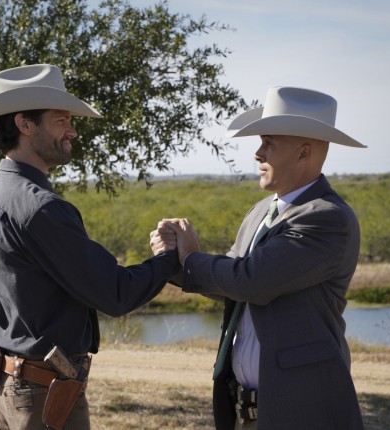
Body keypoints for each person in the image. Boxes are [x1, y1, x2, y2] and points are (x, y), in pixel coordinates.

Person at [0, 64, 179, 430]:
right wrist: (169, 256)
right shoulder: (41, 208)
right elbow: (116, 294)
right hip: (42, 394)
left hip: (5, 386)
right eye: (61, 120)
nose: (72, 130)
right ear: (25, 124)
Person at [156, 86, 367, 429]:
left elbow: (251, 281)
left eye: (268, 143)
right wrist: (172, 259)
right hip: (247, 410)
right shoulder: (261, 211)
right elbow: (229, 283)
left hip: (302, 412)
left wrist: (190, 256)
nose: (257, 153)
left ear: (304, 153)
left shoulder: (326, 217)